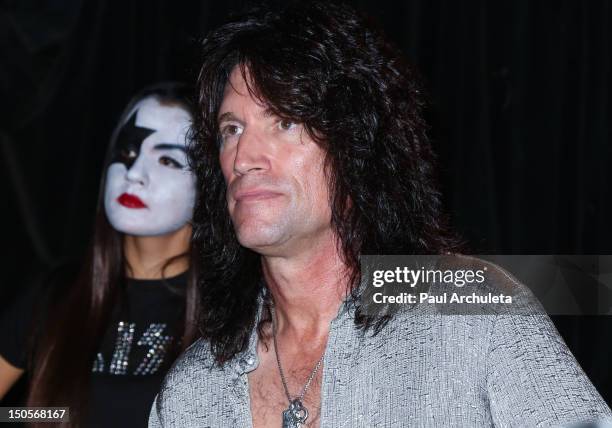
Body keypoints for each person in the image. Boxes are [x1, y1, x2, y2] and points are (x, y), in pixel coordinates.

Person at [149, 3, 612, 427]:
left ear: (355, 147)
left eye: (285, 122)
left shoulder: (477, 308)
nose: (244, 156)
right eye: (231, 129)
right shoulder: (193, 389)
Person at [0, 82, 200, 428]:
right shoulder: (55, 295)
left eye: (167, 159)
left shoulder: (234, 314)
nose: (134, 173)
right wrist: (48, 414)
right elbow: (12, 413)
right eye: (125, 153)